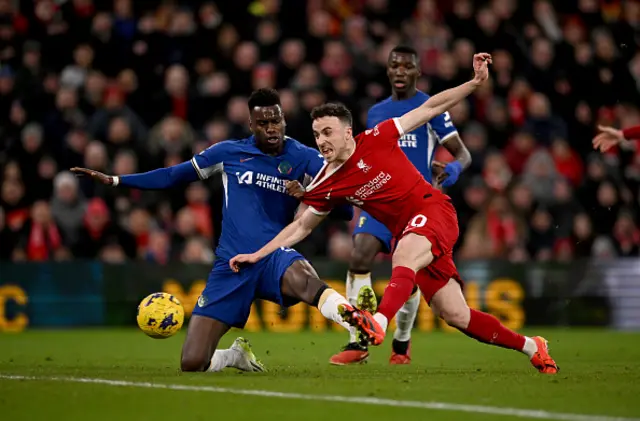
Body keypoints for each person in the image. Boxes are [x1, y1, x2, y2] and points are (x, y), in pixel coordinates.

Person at [230, 55, 559, 374]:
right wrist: (257, 255)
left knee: (402, 253)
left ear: (347, 132)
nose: (321, 141)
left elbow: (430, 107)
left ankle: (380, 324)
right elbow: (300, 227)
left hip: (433, 209)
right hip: (412, 231)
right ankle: (533, 346)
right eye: (317, 135)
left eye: (327, 132)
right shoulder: (327, 180)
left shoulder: (379, 136)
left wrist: (473, 83)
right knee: (456, 314)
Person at [71, 88, 373, 373]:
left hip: (272, 255)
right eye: (263, 123)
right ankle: (235, 356)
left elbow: (344, 210)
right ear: (251, 124)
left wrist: (308, 193)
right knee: (192, 362)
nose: (271, 128)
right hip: (232, 264)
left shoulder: (305, 156)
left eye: (276, 121)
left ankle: (358, 326)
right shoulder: (228, 153)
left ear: (283, 119)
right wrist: (116, 181)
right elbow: (173, 176)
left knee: (305, 281)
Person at [332, 45, 471, 366]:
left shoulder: (430, 107)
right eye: (394, 65)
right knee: (359, 255)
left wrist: (452, 168)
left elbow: (463, 153)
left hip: (415, 205)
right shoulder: (376, 112)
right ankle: (359, 340)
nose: (400, 71)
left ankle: (402, 341)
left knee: (406, 275)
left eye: (407, 66)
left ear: (418, 72)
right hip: (379, 200)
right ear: (388, 70)